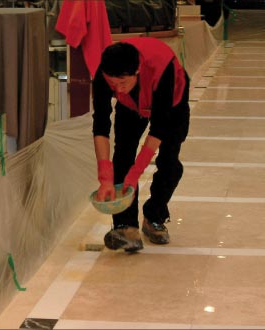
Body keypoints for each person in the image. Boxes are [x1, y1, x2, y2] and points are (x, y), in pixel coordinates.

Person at [92, 37, 190, 252]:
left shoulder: (163, 70)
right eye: (112, 84)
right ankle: (125, 228)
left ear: (136, 71)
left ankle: (154, 215)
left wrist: (135, 174)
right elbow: (100, 125)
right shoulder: (104, 75)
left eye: (122, 83)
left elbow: (158, 130)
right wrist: (105, 176)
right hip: (131, 106)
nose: (117, 88)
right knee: (122, 158)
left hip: (171, 104)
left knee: (169, 162)